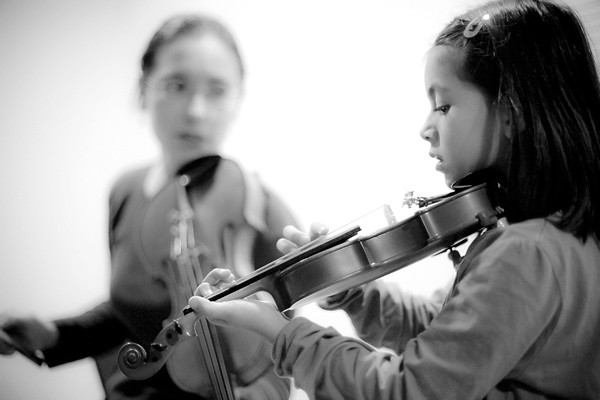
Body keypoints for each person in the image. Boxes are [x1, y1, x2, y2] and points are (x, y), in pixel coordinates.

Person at [188, 0, 600, 398]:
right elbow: (439, 331)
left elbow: (407, 390)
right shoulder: (558, 238)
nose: (426, 127)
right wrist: (350, 291)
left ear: (512, 111)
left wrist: (284, 336)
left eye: (443, 106)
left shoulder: (526, 255)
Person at [0, 14, 298, 400]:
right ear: (144, 89)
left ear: (238, 98)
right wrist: (55, 335)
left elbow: (286, 355)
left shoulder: (260, 210)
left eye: (217, 90)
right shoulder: (126, 191)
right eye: (177, 85)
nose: (196, 110)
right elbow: (134, 314)